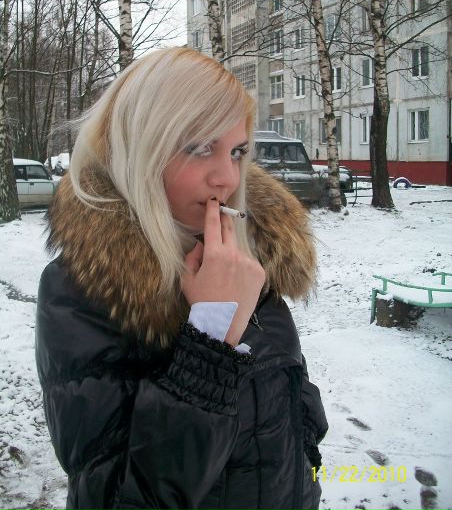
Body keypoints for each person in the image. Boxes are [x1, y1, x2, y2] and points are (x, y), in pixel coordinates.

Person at [35, 47, 328, 510]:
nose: (227, 178)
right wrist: (209, 337)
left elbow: (289, 409)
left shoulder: (248, 256)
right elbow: (116, 497)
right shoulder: (80, 292)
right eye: (199, 147)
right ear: (141, 147)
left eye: (237, 151)